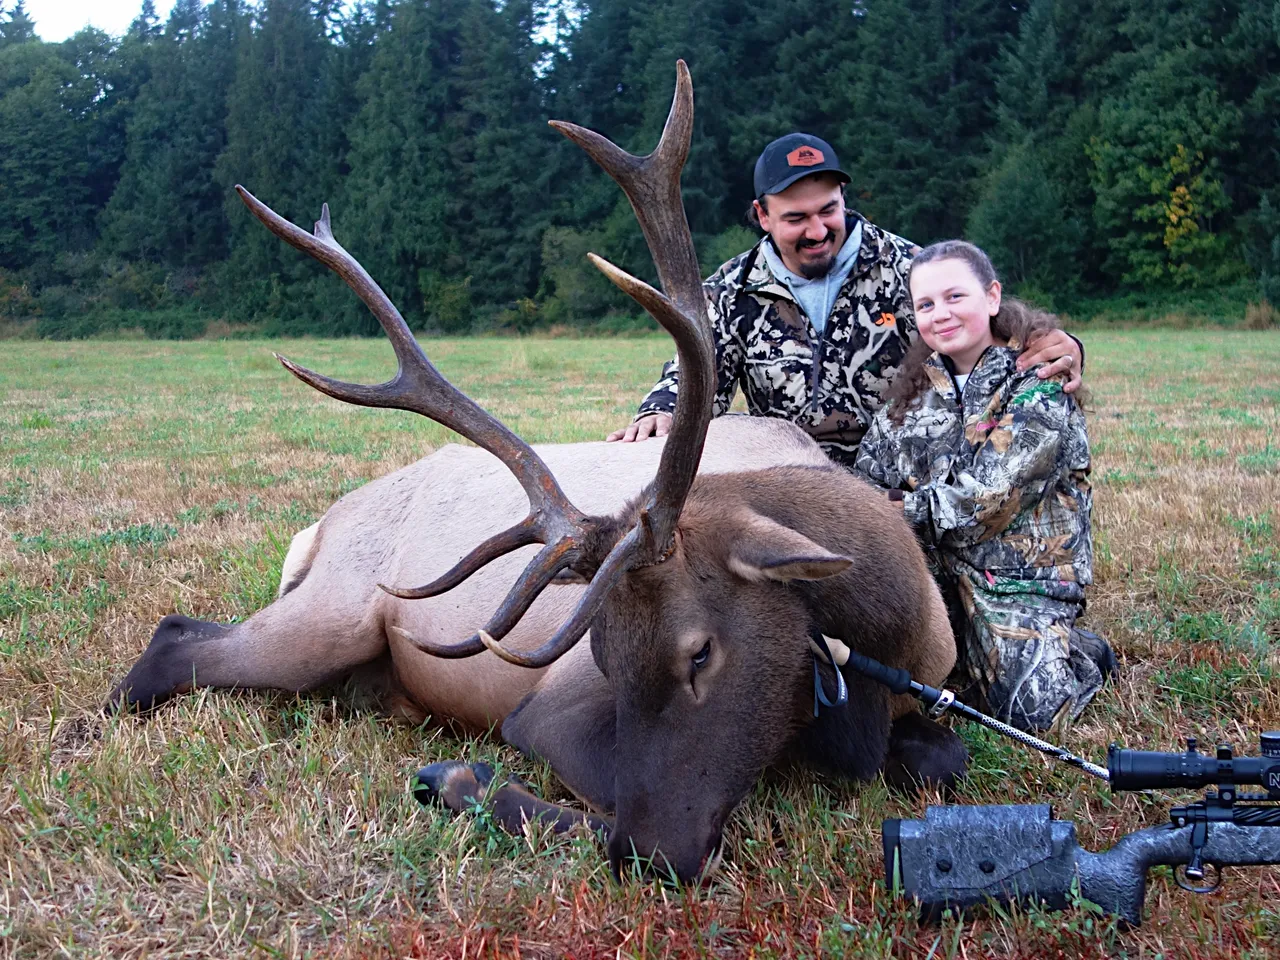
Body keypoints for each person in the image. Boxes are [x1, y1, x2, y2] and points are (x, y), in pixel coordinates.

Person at [606, 133, 1084, 469]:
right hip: (786, 481)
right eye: (796, 218)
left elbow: (986, 322)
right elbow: (696, 371)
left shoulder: (908, 267)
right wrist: (659, 412)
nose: (817, 232)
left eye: (828, 211)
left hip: (899, 475)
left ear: (842, 197)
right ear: (762, 216)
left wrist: (1063, 345)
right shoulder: (731, 289)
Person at [853, 239, 1114, 732]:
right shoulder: (908, 395)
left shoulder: (1039, 382)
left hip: (1019, 578)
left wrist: (885, 512)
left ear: (991, 298)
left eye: (956, 297)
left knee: (1030, 713)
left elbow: (987, 500)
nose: (941, 314)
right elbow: (866, 480)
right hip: (933, 570)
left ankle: (1083, 653)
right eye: (926, 305)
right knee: (899, 678)